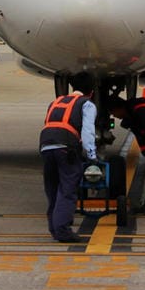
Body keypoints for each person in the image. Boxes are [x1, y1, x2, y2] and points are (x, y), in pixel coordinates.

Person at [39, 72, 97, 243]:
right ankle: (63, 230)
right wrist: (92, 157)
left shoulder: (55, 102)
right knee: (67, 190)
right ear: (91, 92)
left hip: (46, 145)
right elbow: (87, 133)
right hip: (66, 147)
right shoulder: (87, 104)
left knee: (52, 189)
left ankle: (54, 228)